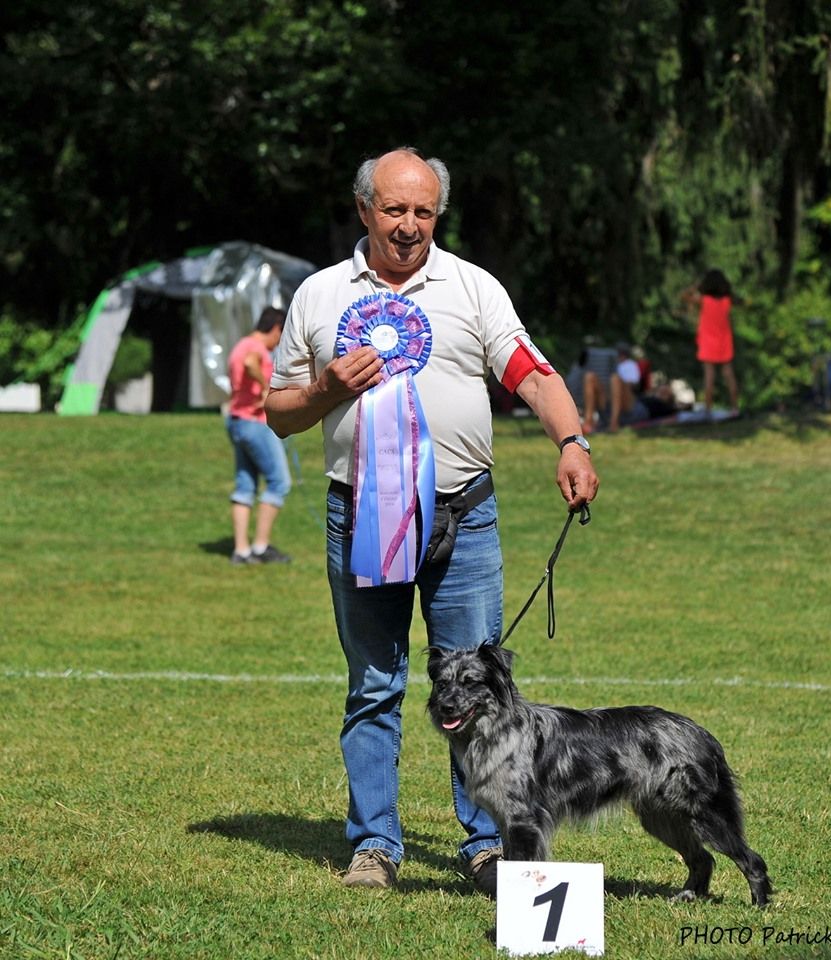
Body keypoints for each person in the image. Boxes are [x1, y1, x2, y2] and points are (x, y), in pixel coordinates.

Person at [264, 147, 598, 894]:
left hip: (464, 516)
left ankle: (486, 846)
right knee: (374, 685)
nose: (409, 225)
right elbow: (278, 413)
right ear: (364, 210)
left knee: (478, 685)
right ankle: (375, 847)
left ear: (436, 215)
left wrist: (571, 442)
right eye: (394, 209)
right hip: (362, 517)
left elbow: (532, 374)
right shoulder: (319, 295)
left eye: (422, 211)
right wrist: (325, 387)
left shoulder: (473, 288)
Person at [226, 306, 292, 565]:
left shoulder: (240, 344)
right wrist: (265, 387)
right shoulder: (255, 349)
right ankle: (261, 547)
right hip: (255, 423)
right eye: (281, 333)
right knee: (279, 482)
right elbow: (250, 364)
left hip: (236, 420)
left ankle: (240, 551)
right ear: (275, 327)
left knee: (245, 484)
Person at [688, 269, 739, 416]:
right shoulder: (727, 301)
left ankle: (708, 409)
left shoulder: (704, 300)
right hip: (724, 342)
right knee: (729, 374)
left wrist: (695, 287)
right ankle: (735, 407)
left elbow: (685, 296)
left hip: (708, 342)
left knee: (709, 376)